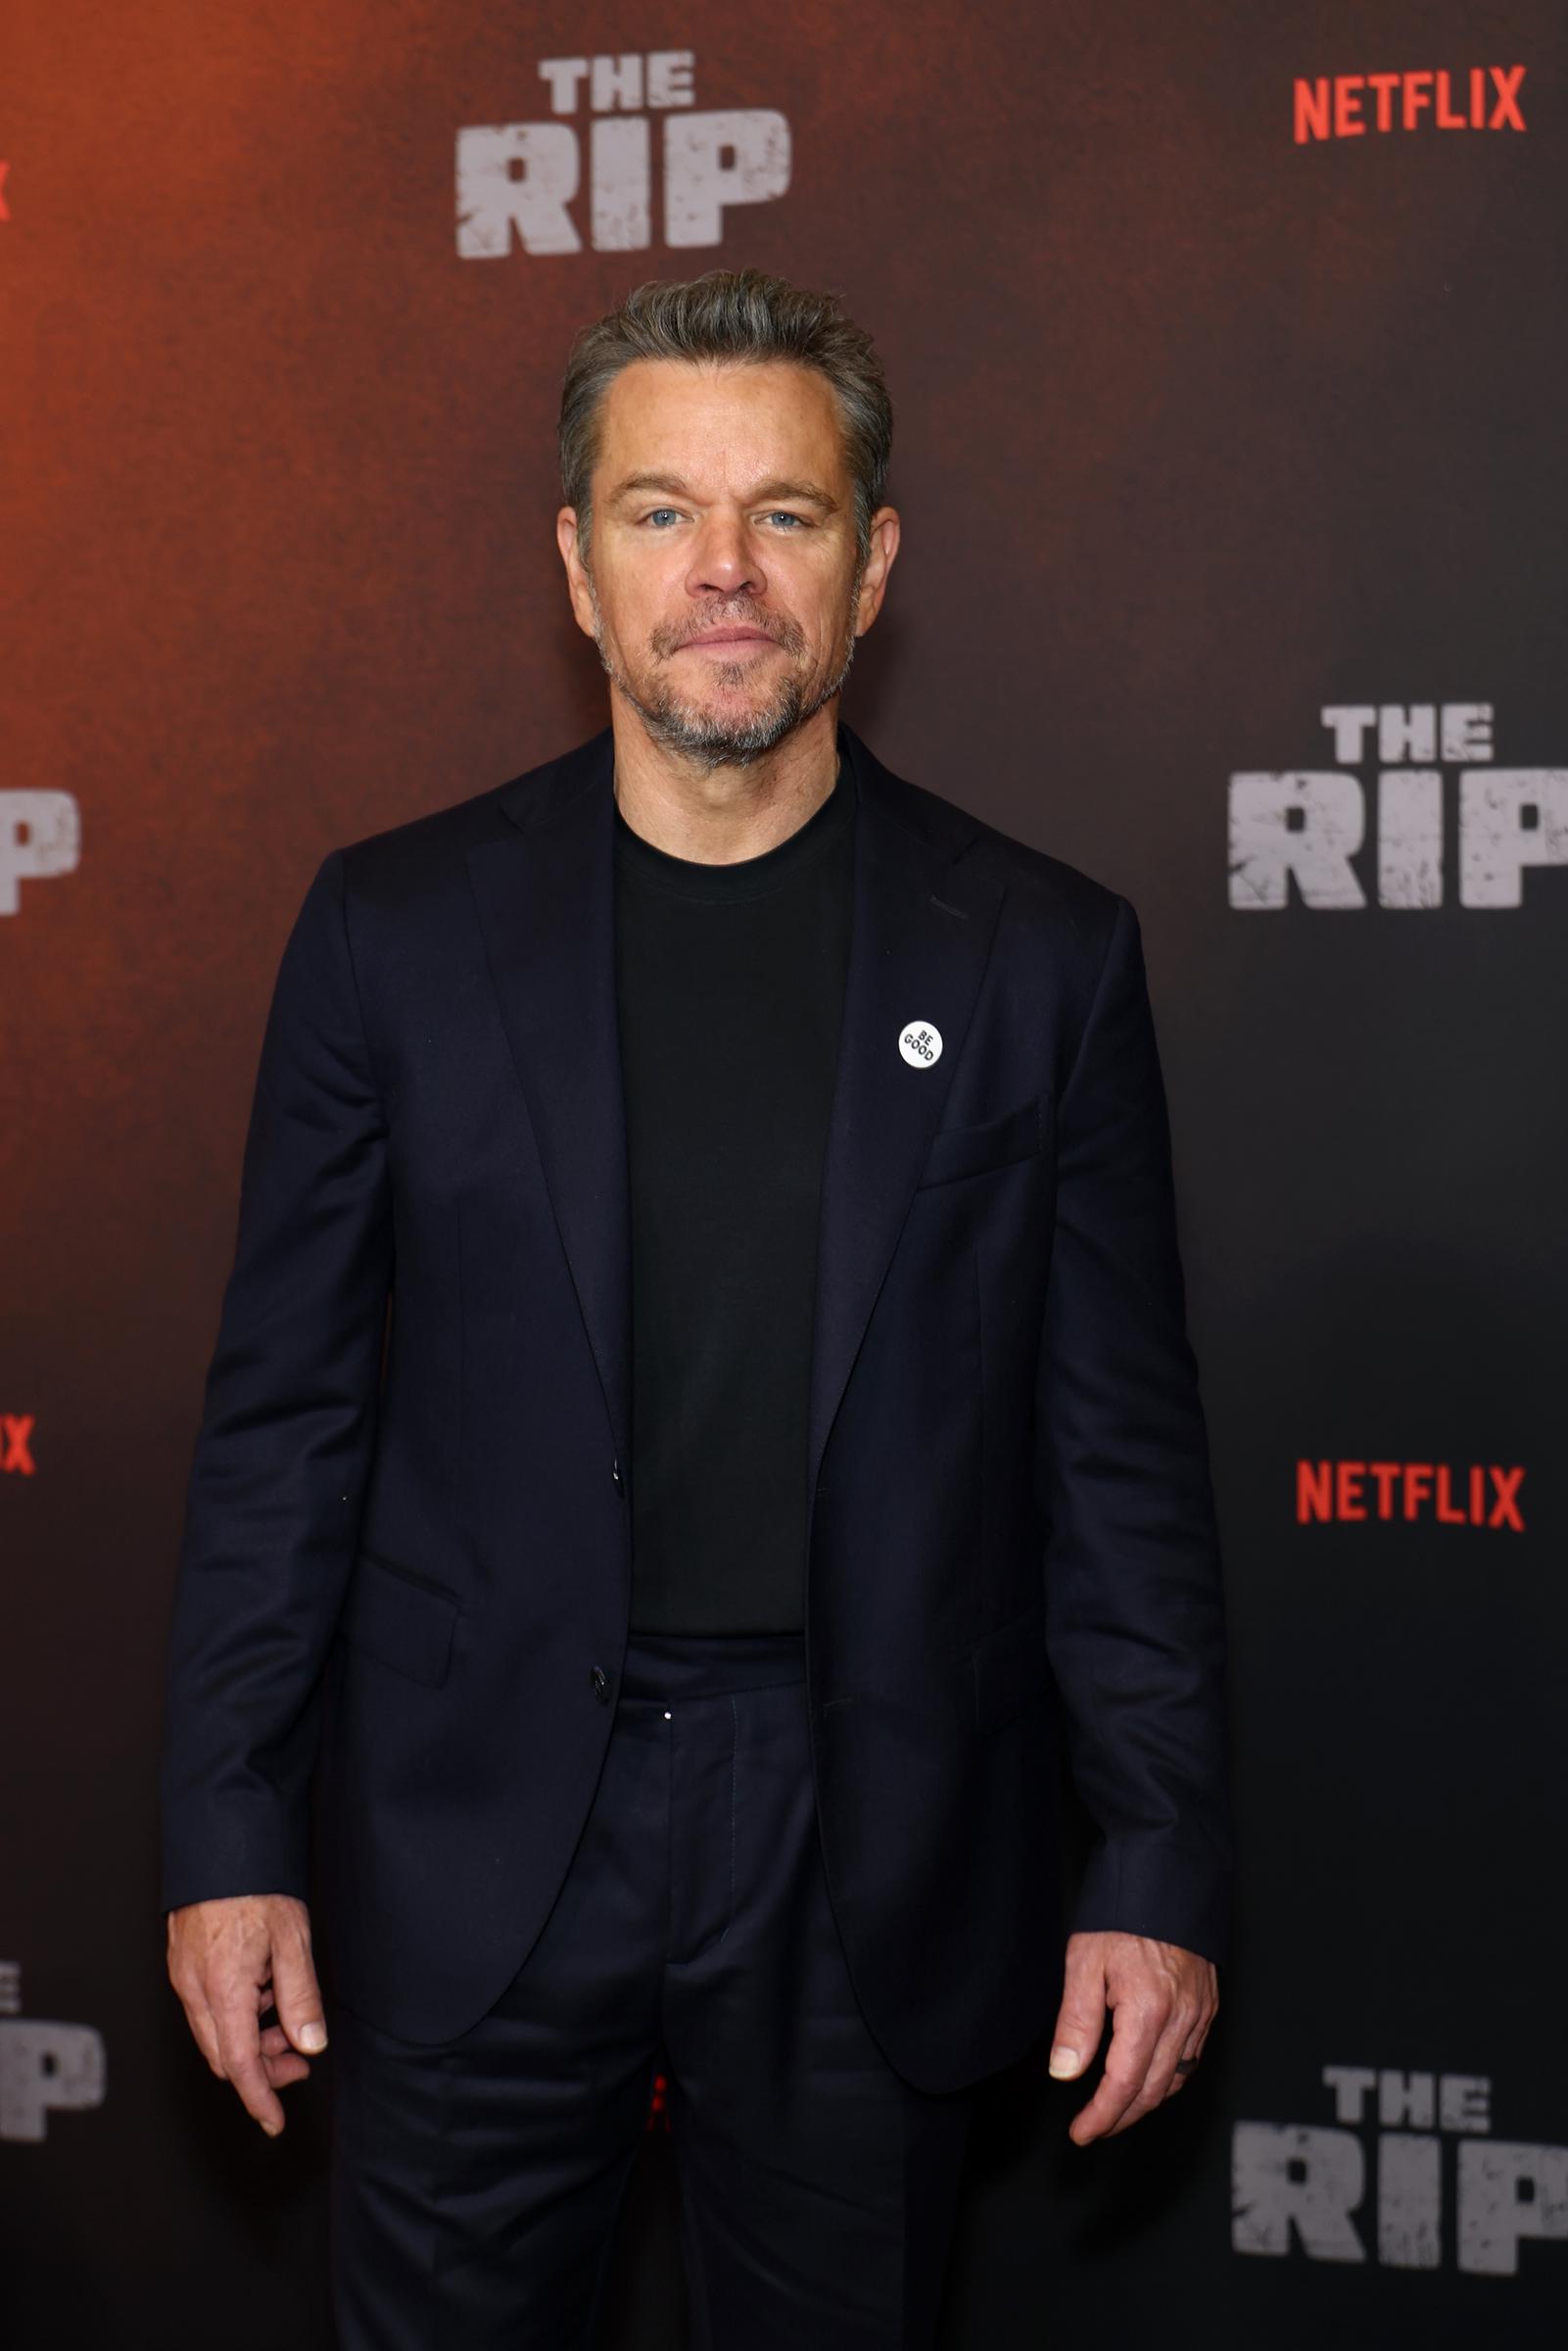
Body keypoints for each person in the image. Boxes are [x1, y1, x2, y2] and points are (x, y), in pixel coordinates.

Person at [161, 265, 1233, 2348]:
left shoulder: (1040, 959)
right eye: (661, 514)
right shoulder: (392, 934)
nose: (723, 573)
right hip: (471, 1831)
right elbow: (281, 1419)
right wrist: (226, 1825)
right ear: (575, 568)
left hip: (871, 1843)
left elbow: (1121, 1464)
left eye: (787, 516)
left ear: (874, 563)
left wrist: (1160, 1861)